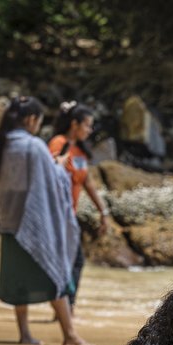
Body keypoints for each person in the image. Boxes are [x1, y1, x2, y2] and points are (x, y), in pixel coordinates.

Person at [0, 96, 87, 345]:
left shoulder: (3, 145)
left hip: (10, 219)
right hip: (33, 219)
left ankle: (24, 334)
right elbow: (52, 180)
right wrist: (59, 166)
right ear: (31, 119)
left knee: (19, 281)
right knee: (57, 275)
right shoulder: (33, 146)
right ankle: (70, 335)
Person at [48, 102, 114, 312]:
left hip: (70, 217)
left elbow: (87, 182)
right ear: (74, 124)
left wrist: (103, 212)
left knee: (72, 262)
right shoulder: (59, 143)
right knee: (71, 262)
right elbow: (49, 173)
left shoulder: (80, 150)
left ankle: (66, 308)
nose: (90, 130)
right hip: (57, 217)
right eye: (87, 125)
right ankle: (66, 309)